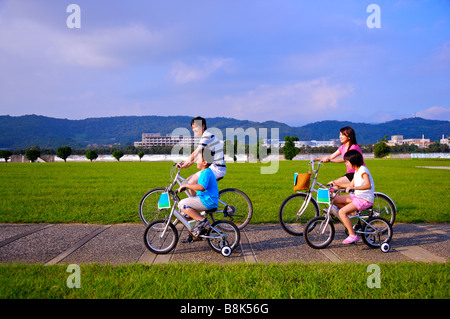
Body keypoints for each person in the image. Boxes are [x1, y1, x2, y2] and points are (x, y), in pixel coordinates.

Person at [330, 150, 375, 244]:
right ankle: (352, 215)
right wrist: (337, 185)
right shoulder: (357, 171)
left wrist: (353, 187)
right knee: (335, 200)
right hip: (357, 196)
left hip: (364, 199)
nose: (346, 163)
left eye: (347, 161)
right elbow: (350, 184)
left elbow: (368, 185)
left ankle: (352, 235)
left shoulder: (363, 170)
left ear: (353, 161)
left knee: (342, 212)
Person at [177, 116, 226, 196]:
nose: (194, 130)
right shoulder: (205, 137)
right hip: (212, 167)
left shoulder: (206, 136)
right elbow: (200, 156)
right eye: (193, 128)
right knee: (188, 180)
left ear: (203, 126)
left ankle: (199, 204)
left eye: (196, 127)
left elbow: (196, 152)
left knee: (191, 182)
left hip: (217, 169)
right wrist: (187, 164)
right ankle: (198, 203)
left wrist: (186, 163)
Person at [177, 150, 219, 237]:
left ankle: (202, 221)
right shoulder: (205, 172)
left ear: (204, 162)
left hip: (208, 201)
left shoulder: (206, 173)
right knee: (184, 214)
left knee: (182, 204)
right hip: (206, 199)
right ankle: (194, 234)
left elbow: (201, 187)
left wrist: (187, 185)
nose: (196, 161)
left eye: (198, 159)